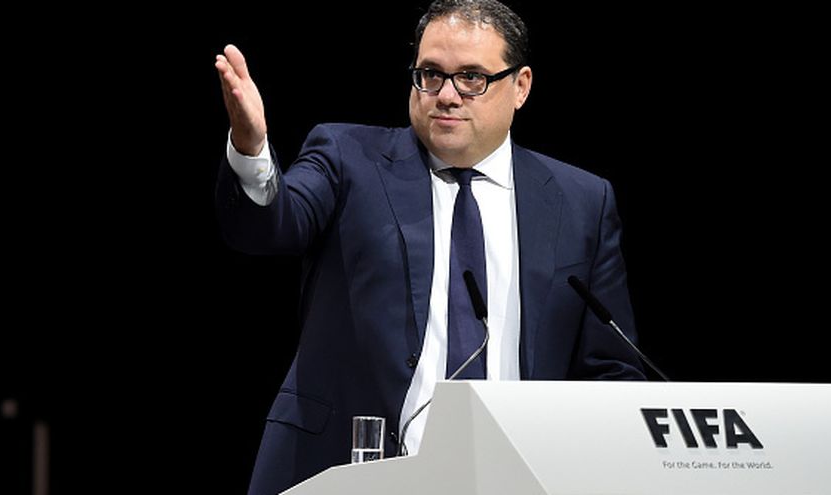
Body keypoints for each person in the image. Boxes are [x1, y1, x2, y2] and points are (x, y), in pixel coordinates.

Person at [214, 1, 645, 493]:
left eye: (471, 78)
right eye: (431, 75)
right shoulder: (348, 158)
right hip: (349, 472)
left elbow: (611, 370)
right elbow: (273, 225)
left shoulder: (581, 201)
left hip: (513, 480)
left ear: (521, 86)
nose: (447, 96)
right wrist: (251, 151)